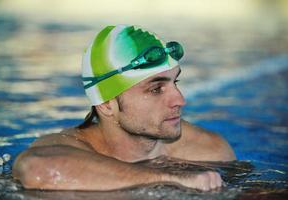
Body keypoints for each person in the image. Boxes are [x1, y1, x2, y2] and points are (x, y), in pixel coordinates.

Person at [13, 25, 236, 192]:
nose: (179, 99)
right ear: (106, 105)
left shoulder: (207, 150)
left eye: (174, 82)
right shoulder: (68, 147)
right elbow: (37, 169)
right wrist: (168, 178)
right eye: (156, 89)